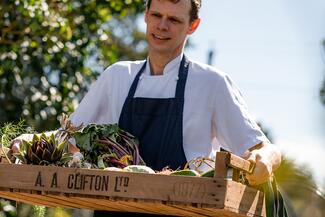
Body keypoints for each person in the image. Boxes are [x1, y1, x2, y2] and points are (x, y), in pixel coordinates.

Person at [12, 0, 282, 216]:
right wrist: (29, 141)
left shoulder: (211, 83)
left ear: (193, 25)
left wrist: (265, 161)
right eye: (156, 15)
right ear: (145, 15)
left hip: (185, 211)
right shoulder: (117, 77)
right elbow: (68, 137)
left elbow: (263, 148)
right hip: (113, 209)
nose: (162, 26)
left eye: (174, 19)